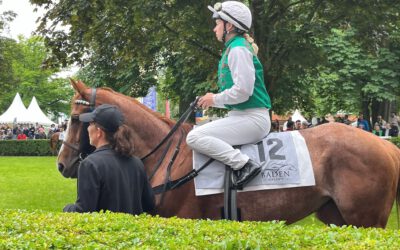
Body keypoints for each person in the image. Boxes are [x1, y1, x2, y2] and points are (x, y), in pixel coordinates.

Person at [186, 1, 272, 188]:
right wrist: (211, 101)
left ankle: (244, 164)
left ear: (229, 25)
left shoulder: (238, 49)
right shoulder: (234, 48)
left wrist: (214, 98)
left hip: (253, 120)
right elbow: (240, 96)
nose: (214, 29)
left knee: (193, 138)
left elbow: (243, 92)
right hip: (244, 116)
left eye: (217, 23)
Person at [64, 104, 155, 215]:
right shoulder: (137, 163)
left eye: (90, 124)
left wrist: (67, 208)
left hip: (104, 231)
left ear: (99, 132)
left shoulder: (90, 164)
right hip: (131, 230)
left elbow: (84, 212)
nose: (87, 128)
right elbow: (149, 203)